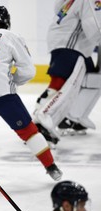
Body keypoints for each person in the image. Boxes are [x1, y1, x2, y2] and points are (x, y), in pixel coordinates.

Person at [0, 6, 62, 181]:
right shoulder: (12, 37)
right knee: (28, 131)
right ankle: (51, 166)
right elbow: (28, 71)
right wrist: (10, 81)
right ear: (8, 22)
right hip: (2, 94)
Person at [33, 0, 101, 143]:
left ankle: (72, 117)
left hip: (64, 40)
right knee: (66, 85)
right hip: (71, 45)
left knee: (93, 78)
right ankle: (41, 122)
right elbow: (94, 26)